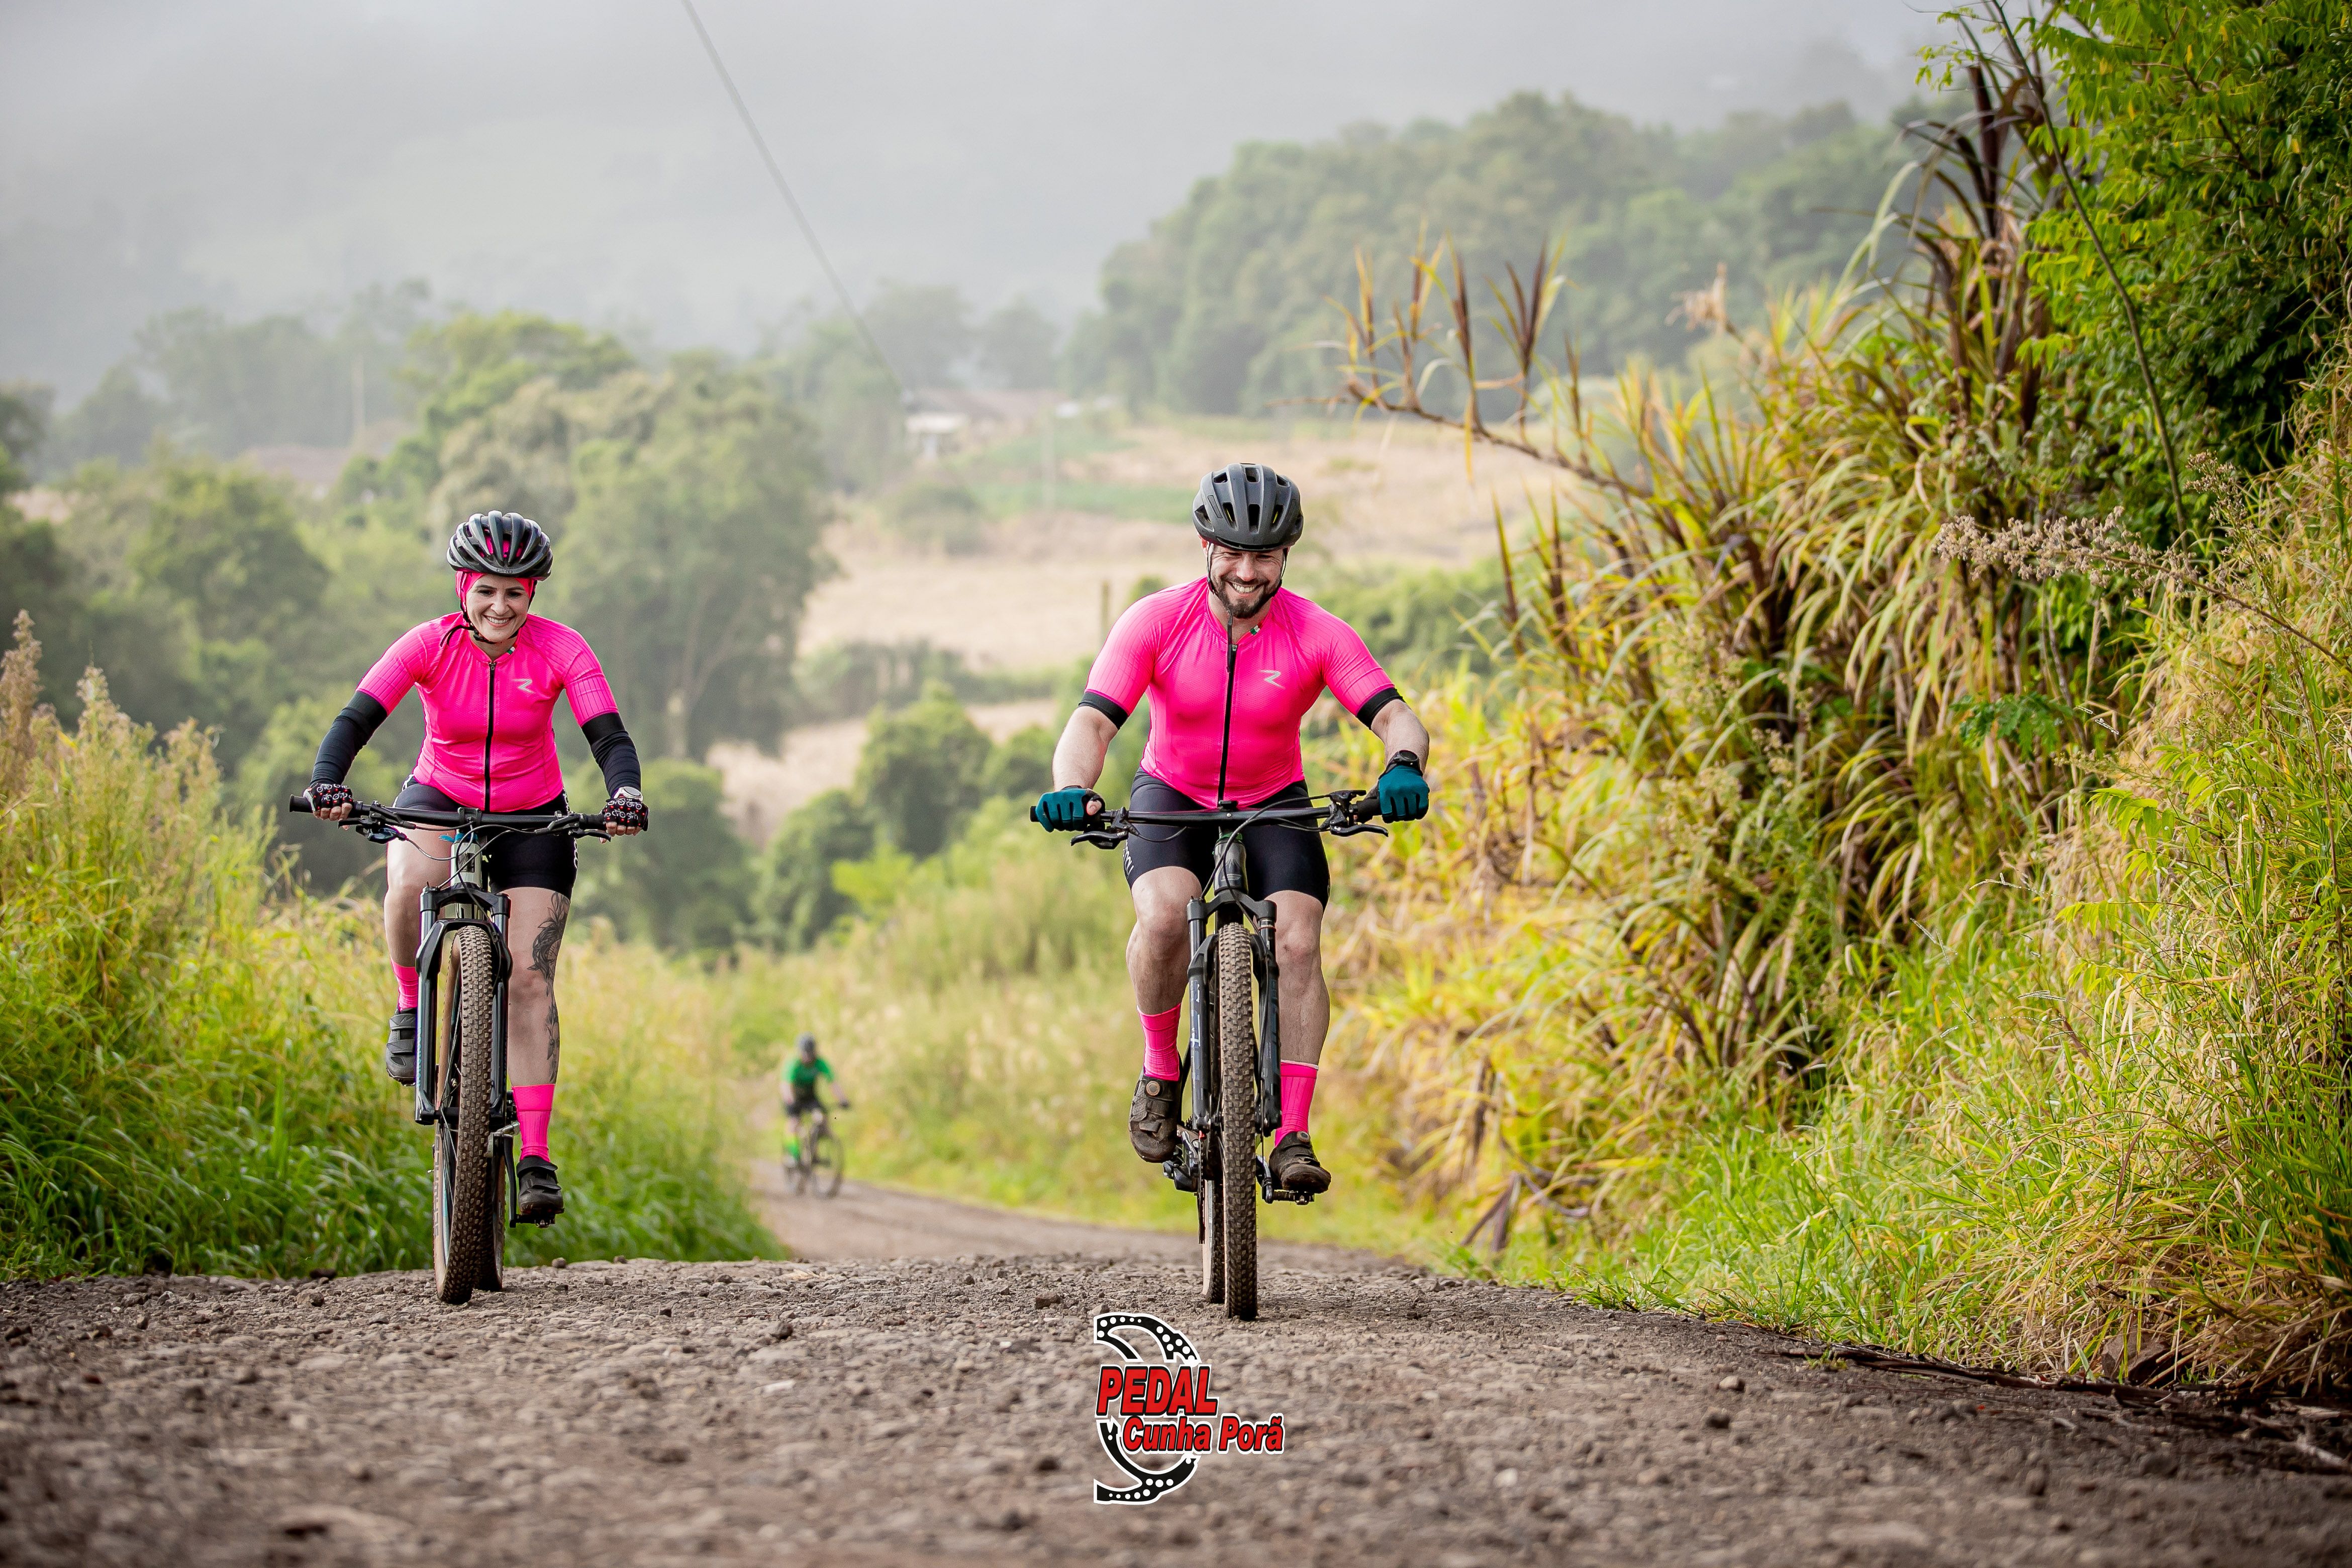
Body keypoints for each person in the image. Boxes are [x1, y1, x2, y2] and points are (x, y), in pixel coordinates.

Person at [1032, 462, 1431, 1194]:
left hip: (1276, 800)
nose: (1248, 572)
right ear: (1206, 548)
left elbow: (1395, 714)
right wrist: (1071, 788)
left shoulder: (1317, 632)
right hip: (1172, 793)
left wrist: (1403, 764)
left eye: (1265, 556)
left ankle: (1293, 1135)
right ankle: (1161, 1073)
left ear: (1286, 555)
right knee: (1162, 917)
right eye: (1234, 554)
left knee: (1298, 938)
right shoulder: (1156, 621)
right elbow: (1093, 721)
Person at [304, 511, 649, 1224]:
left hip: (534, 813)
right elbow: (355, 719)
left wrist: (625, 795)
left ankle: (536, 1158)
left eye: (515, 593)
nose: (500, 606)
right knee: (409, 883)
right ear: (464, 587)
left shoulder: (562, 649)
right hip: (440, 795)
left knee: (530, 977)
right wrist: (328, 782)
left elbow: (609, 736)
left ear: (533, 594)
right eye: (486, 590)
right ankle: (410, 1008)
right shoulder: (427, 644)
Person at [782, 1033, 848, 1165]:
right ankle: (793, 1154)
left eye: (810, 1052)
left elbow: (833, 1083)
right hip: (794, 1096)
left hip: (810, 1096)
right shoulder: (794, 1064)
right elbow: (786, 1085)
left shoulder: (820, 1063)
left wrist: (843, 1099)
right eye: (805, 1053)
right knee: (794, 1123)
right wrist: (791, 1101)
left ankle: (814, 1153)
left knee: (821, 1119)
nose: (808, 1056)